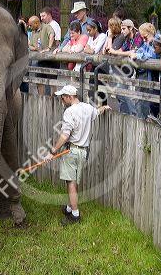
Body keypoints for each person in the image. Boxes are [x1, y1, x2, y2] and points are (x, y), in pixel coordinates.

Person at [45, 85, 111, 225]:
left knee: (71, 183)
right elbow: (96, 112)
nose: (61, 99)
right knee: (74, 182)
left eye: (63, 96)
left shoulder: (69, 112)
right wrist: (104, 108)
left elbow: (64, 135)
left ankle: (75, 215)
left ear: (70, 97)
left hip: (71, 151)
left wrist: (53, 151)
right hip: (83, 152)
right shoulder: (87, 108)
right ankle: (70, 208)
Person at [27, 16, 56, 95]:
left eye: (31, 25)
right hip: (40, 60)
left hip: (51, 60)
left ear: (36, 23)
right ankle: (41, 100)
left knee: (52, 83)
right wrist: (35, 48)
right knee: (39, 81)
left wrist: (49, 47)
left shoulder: (47, 27)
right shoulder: (33, 32)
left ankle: (53, 100)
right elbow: (30, 45)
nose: (30, 27)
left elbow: (52, 35)